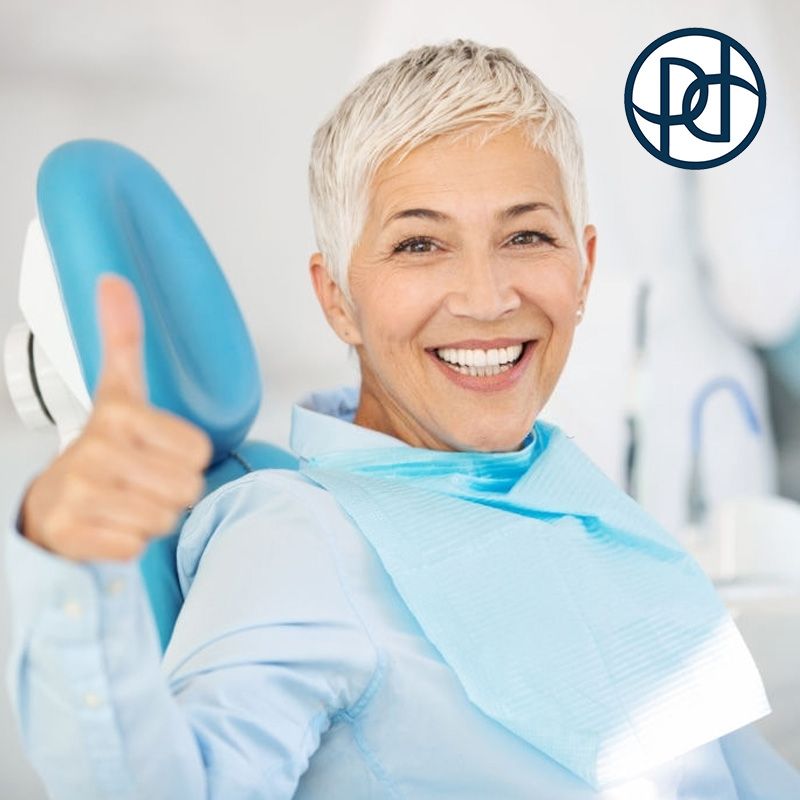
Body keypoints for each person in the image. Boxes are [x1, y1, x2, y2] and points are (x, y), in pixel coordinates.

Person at [6, 39, 800, 799]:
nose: (487, 299)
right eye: (420, 245)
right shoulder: (301, 536)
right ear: (336, 298)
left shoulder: (568, 495)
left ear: (584, 268)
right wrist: (74, 571)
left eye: (527, 235)